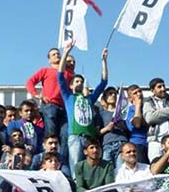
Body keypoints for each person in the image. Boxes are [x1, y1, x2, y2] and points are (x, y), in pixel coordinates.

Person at [58, 40, 108, 176]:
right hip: (75, 136)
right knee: (76, 168)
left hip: (90, 137)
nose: (80, 83)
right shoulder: (68, 97)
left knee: (92, 168)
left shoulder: (90, 99)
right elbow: (60, 76)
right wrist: (66, 52)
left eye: (82, 81)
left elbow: (104, 82)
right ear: (71, 85)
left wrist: (104, 61)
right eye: (77, 81)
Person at [26, 47, 75, 155]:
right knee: (51, 134)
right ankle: (50, 157)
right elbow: (30, 82)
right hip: (50, 105)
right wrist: (37, 95)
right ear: (49, 60)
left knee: (65, 135)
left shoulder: (69, 74)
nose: (57, 55)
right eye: (53, 54)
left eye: (58, 53)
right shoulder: (45, 70)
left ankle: (61, 159)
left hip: (65, 108)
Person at [143, 77, 169, 162]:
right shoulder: (147, 102)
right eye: (159, 87)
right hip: (155, 140)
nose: (163, 89)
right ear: (152, 90)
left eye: (164, 86)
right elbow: (150, 118)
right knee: (156, 166)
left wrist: (157, 113)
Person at [98, 87, 129, 167]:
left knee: (120, 169)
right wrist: (107, 128)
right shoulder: (101, 114)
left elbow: (129, 129)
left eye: (115, 94)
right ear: (105, 98)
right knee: (107, 170)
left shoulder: (123, 113)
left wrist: (122, 126)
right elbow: (97, 132)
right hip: (107, 145)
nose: (113, 95)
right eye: (110, 94)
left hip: (121, 143)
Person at [125, 85, 150, 165]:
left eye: (140, 91)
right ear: (130, 99)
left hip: (150, 143)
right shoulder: (131, 111)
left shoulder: (148, 107)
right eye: (135, 93)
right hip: (139, 144)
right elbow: (137, 124)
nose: (139, 94)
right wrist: (138, 105)